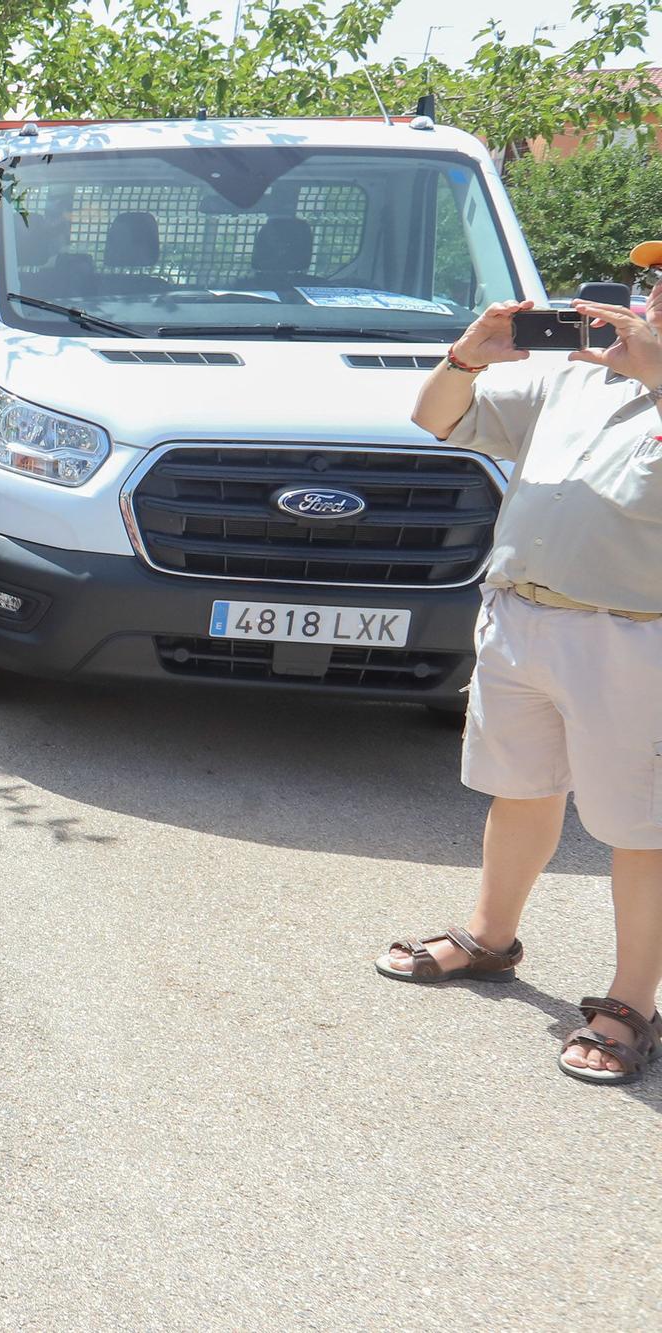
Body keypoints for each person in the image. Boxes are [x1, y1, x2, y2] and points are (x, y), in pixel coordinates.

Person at [375, 275, 662, 1086]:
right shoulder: (572, 374)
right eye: (655, 281)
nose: (656, 298)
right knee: (520, 787)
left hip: (635, 638)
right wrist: (467, 358)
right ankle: (489, 938)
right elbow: (436, 418)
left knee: (643, 828)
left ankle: (631, 1005)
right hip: (522, 616)